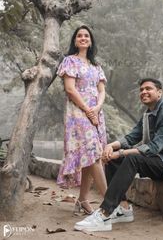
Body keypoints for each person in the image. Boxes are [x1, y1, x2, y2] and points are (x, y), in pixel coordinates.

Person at [74, 78, 163, 232]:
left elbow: (153, 147)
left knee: (131, 158)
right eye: (141, 89)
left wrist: (120, 153)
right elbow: (132, 137)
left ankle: (104, 214)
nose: (144, 92)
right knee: (112, 160)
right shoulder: (148, 114)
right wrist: (110, 147)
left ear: (159, 92)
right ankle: (123, 210)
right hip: (159, 162)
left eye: (148, 88)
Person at [57, 25, 107, 215]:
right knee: (93, 154)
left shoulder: (96, 66)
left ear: (91, 40)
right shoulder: (70, 61)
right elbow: (70, 89)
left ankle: (83, 200)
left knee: (91, 157)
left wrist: (97, 108)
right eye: (79, 36)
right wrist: (88, 110)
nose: (83, 38)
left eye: (86, 35)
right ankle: (110, 202)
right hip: (78, 114)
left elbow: (102, 90)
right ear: (75, 40)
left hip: (96, 114)